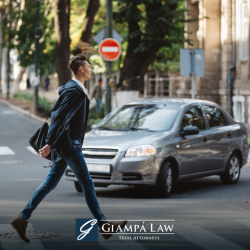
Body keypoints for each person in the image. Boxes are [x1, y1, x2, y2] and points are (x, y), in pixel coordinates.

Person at [9, 54, 127, 243]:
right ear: (81, 69)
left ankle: (22, 218)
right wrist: (49, 143)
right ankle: (104, 225)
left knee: (50, 183)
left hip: (67, 144)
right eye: (88, 66)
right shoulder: (73, 90)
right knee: (87, 183)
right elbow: (58, 117)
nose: (90, 69)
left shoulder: (76, 89)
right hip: (70, 144)